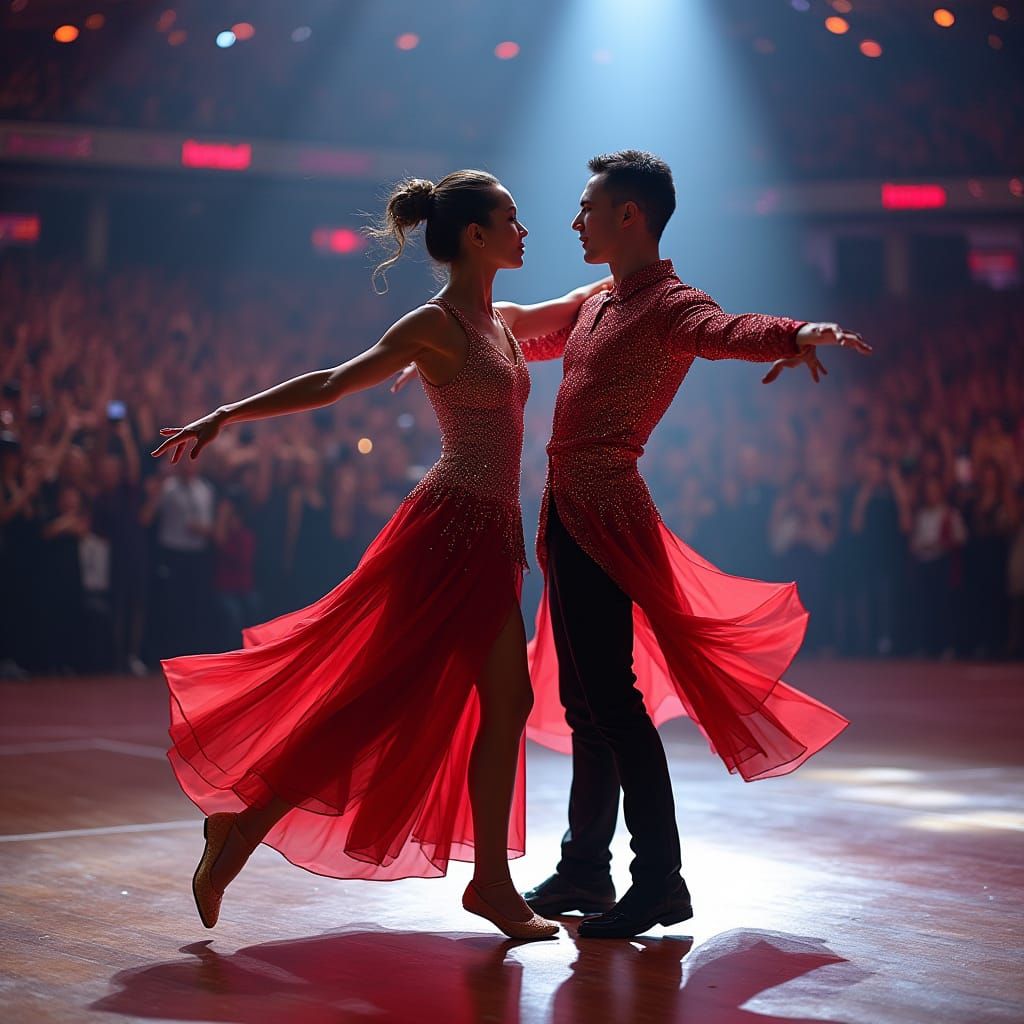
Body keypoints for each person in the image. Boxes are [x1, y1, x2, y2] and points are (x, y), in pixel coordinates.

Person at [151, 169, 609, 940]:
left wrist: (633, 279)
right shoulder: (434, 325)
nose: (525, 230)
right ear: (475, 236)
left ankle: (492, 886)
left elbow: (576, 307)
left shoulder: (503, 321)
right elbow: (332, 382)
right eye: (512, 218)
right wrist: (226, 413)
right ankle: (238, 828)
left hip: (491, 535)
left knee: (507, 704)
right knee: (372, 704)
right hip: (446, 532)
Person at [515, 151, 871, 938]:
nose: (576, 220)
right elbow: (529, 338)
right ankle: (585, 868)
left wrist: (791, 333)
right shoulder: (601, 301)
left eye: (587, 208)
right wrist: (458, 336)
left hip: (606, 514)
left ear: (629, 216)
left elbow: (724, 330)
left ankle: (660, 881)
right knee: (586, 703)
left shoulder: (670, 305)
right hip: (569, 515)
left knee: (612, 703)